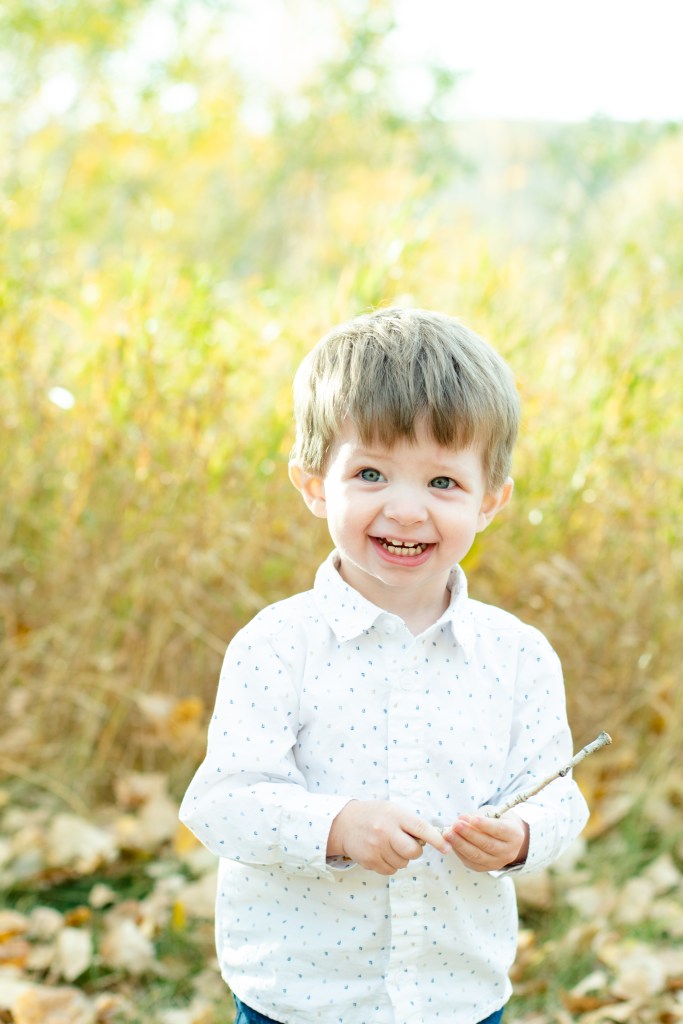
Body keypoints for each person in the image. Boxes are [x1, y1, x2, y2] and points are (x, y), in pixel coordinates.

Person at [179, 308, 589, 1024]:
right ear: (315, 485)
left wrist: (520, 836)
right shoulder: (277, 645)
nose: (405, 510)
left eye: (443, 483)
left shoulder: (517, 656)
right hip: (301, 997)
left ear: (490, 501)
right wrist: (338, 826)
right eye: (370, 473)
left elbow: (556, 795)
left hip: (453, 995)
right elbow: (223, 803)